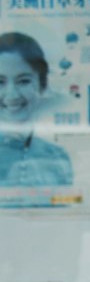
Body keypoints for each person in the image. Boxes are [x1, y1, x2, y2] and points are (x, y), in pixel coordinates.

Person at [0, 33, 73, 188]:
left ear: (42, 85)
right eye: (0, 82)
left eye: (24, 81)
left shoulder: (57, 157)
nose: (12, 95)